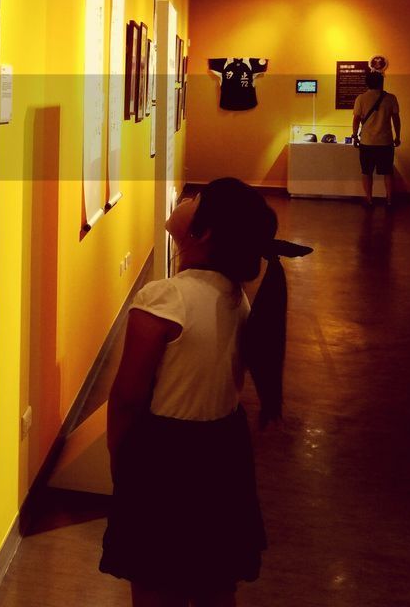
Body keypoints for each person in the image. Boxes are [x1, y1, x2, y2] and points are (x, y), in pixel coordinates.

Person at [100, 178, 277, 607]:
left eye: (195, 199)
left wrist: (119, 463)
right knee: (215, 585)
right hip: (223, 454)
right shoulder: (236, 296)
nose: (184, 197)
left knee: (155, 585)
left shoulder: (165, 299)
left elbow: (127, 399)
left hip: (166, 459)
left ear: (204, 231)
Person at [351, 70, 401, 207]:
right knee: (387, 172)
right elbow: (396, 119)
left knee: (366, 172)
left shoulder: (361, 98)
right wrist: (398, 136)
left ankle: (369, 199)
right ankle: (389, 200)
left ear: (367, 83)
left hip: (367, 142)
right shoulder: (391, 98)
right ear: (381, 82)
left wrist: (355, 135)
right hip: (385, 142)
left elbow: (356, 120)